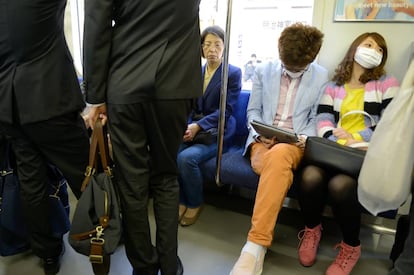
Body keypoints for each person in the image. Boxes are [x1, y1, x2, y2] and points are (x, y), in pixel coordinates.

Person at [83, 0, 203, 274]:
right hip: (177, 79)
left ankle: (144, 266)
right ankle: (169, 264)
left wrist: (95, 97)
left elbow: (96, 23)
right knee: (166, 176)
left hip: (127, 79)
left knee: (132, 182)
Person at [230, 23, 329, 275]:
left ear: (311, 60)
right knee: (275, 165)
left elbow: (318, 119)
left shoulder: (321, 76)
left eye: (298, 69)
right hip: (263, 141)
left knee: (280, 156)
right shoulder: (264, 70)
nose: (291, 71)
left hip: (294, 144)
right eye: (288, 67)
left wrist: (303, 138)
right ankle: (258, 246)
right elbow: (252, 111)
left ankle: (255, 246)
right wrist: (259, 134)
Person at [296, 32, 399, 275]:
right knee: (310, 176)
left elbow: (390, 122)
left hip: (363, 155)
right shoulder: (333, 85)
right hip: (334, 150)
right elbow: (322, 117)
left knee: (341, 186)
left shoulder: (387, 83)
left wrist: (357, 138)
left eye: (380, 49)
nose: (374, 51)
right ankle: (312, 230)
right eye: (369, 45)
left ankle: (351, 246)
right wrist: (334, 139)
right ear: (355, 48)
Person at [0, 1, 90, 274]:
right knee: (87, 173)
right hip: (50, 101)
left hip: (10, 106)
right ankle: (105, 233)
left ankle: (48, 253)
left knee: (32, 183)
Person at [177, 25, 242, 226]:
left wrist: (199, 126)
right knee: (171, 151)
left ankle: (195, 202)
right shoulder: (197, 71)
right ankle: (181, 200)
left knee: (187, 158)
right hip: (194, 128)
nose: (211, 49)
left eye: (217, 44)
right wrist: (185, 126)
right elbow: (188, 104)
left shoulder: (232, 73)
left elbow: (226, 110)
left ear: (224, 47)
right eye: (207, 44)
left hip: (217, 131)